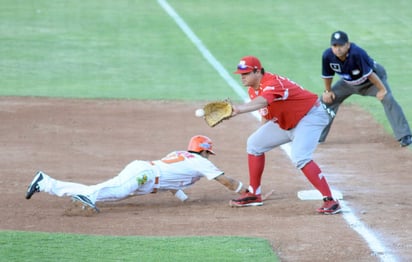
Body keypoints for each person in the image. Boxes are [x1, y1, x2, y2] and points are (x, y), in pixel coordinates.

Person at [227, 55, 341, 215]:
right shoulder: (253, 90)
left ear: (257, 71)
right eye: (241, 74)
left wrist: (238, 110)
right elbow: (266, 113)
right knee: (254, 143)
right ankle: (254, 194)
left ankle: (330, 201)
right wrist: (263, 136)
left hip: (310, 116)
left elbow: (263, 102)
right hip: (288, 121)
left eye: (245, 73)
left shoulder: (272, 83)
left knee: (300, 157)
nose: (242, 77)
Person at [25, 135, 247, 213]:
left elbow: (172, 182)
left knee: (107, 191)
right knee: (117, 190)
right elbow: (226, 181)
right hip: (145, 175)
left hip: (145, 174)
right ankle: (87, 198)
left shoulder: (180, 155)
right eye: (209, 152)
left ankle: (46, 183)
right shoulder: (201, 162)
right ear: (205, 150)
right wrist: (246, 191)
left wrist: (183, 199)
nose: (209, 156)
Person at [319, 30, 412, 147]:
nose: (338, 49)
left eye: (341, 45)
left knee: (387, 98)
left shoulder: (357, 53)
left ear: (348, 44)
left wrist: (382, 90)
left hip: (371, 81)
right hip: (348, 83)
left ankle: (404, 135)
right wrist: (327, 91)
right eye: (335, 45)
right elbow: (327, 75)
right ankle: (317, 136)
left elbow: (370, 75)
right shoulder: (328, 55)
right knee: (325, 101)